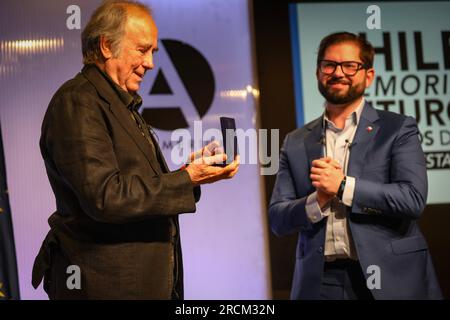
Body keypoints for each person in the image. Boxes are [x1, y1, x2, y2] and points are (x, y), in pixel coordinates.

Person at [32, 0, 239, 300]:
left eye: (152, 52)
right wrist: (187, 179)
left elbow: (135, 187)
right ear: (106, 46)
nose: (151, 63)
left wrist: (187, 173)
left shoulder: (121, 103)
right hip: (105, 287)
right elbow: (106, 198)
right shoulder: (78, 102)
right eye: (142, 50)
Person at [269, 32, 442, 300]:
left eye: (350, 65)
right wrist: (317, 201)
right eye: (329, 65)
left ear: (368, 75)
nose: (338, 73)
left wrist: (341, 186)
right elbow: (278, 219)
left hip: (391, 276)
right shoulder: (296, 141)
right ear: (318, 73)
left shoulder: (397, 128)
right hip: (321, 283)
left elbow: (412, 199)